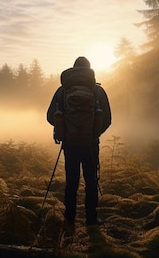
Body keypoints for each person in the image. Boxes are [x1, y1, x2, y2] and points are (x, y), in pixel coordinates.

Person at [46, 56, 111, 226]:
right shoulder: (97, 91)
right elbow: (108, 119)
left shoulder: (62, 91)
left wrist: (67, 128)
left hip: (70, 144)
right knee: (91, 180)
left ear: (73, 69)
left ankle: (70, 218)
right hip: (91, 144)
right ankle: (91, 219)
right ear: (89, 70)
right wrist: (94, 133)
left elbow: (49, 116)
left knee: (71, 181)